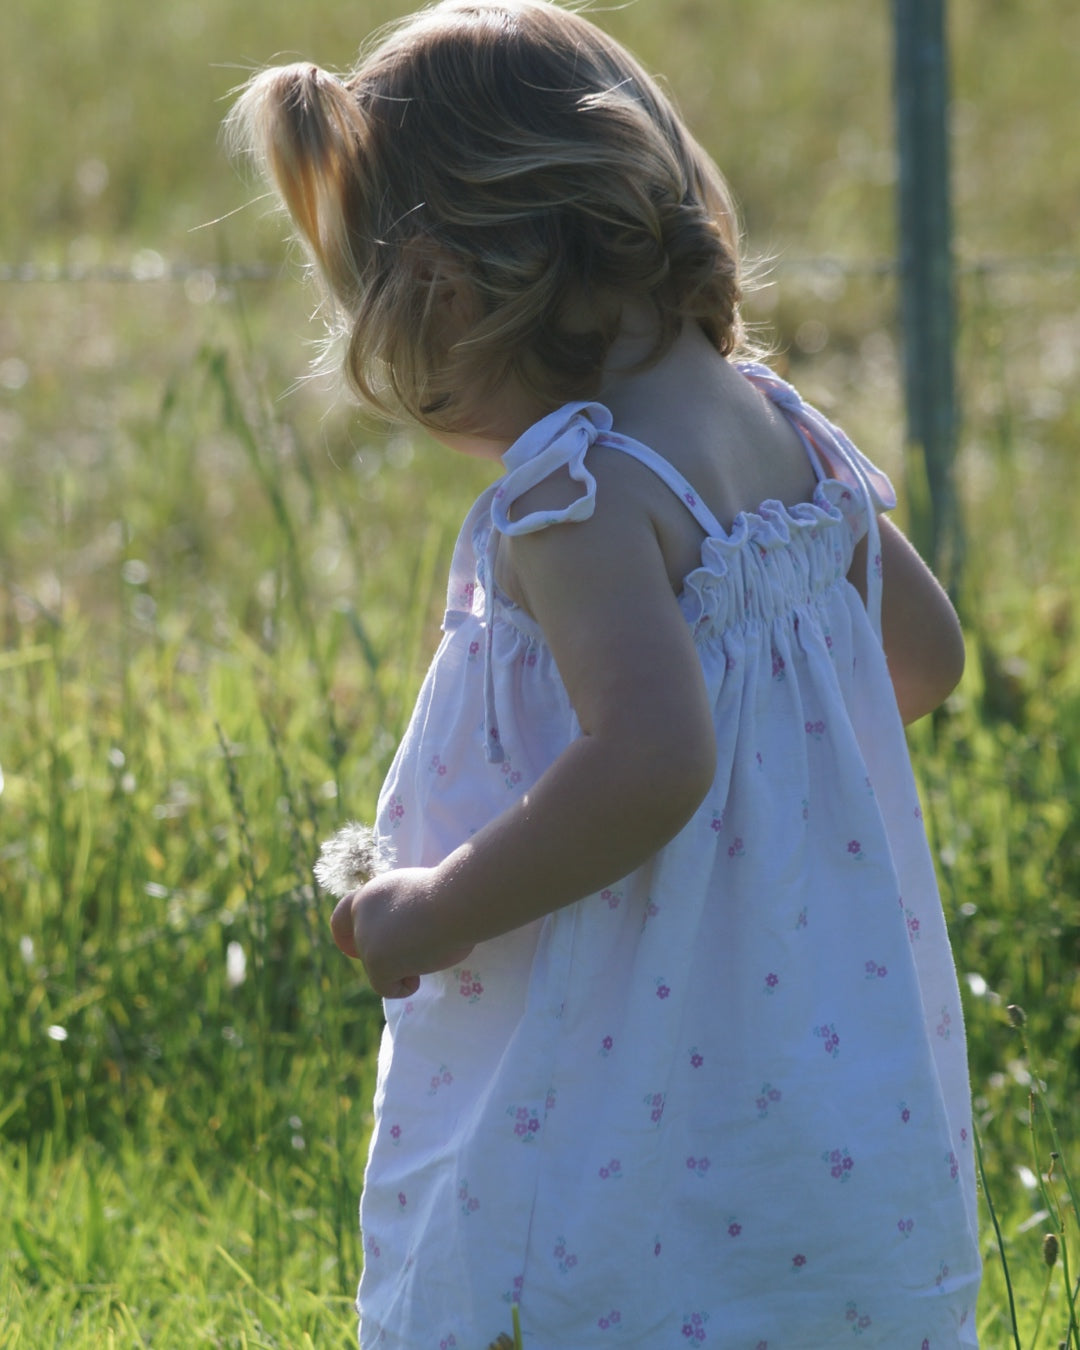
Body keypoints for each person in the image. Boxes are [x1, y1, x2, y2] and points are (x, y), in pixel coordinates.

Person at [227, 2, 981, 1344]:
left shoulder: (576, 495)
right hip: (813, 1056)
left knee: (600, 1286)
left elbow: (652, 759)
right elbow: (922, 656)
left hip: (631, 1056)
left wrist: (443, 905)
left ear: (446, 295)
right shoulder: (783, 428)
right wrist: (776, 808)